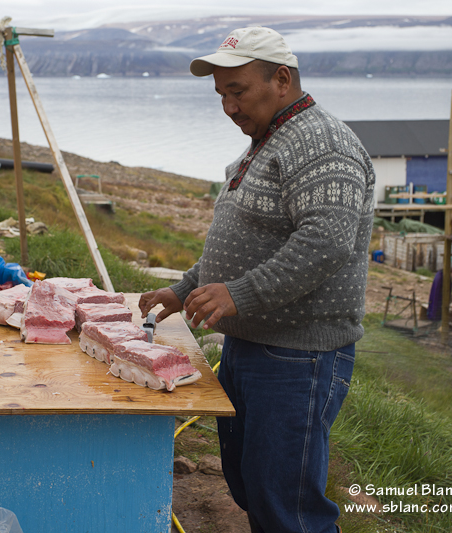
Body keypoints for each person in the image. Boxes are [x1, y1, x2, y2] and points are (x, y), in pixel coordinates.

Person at [139, 27, 375, 533]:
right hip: (253, 347)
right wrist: (183, 291)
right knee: (254, 488)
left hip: (297, 357)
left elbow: (327, 242)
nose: (228, 106)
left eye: (238, 91)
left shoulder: (322, 142)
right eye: (221, 94)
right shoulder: (269, 138)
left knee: (288, 507)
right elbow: (248, 240)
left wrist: (239, 294)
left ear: (282, 79)